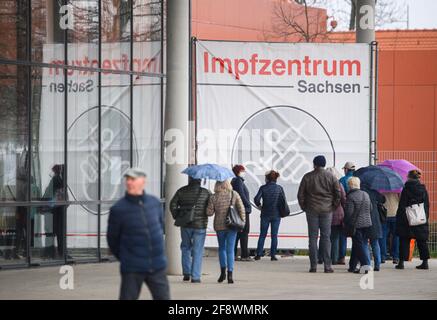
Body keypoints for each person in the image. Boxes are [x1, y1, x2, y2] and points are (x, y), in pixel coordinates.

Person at [107, 168, 170, 300]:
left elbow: (160, 225)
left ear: (143, 181)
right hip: (132, 267)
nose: (129, 182)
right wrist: (126, 257)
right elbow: (112, 240)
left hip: (157, 265)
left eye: (133, 179)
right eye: (127, 179)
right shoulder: (118, 209)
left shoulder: (154, 203)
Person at [297, 156, 341, 273]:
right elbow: (338, 194)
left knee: (312, 238)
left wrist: (304, 207)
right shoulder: (331, 177)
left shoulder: (307, 177)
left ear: (314, 164)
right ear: (324, 164)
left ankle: (313, 266)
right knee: (326, 238)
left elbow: (300, 194)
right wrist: (333, 206)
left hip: (311, 210)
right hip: (327, 210)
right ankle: (327, 266)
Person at [170, 177, 211, 283]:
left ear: (189, 180)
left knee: (185, 247)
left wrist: (178, 216)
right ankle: (196, 277)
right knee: (198, 250)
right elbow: (210, 209)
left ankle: (186, 273)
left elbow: (172, 204)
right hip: (200, 225)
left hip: (185, 224)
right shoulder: (206, 192)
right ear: (200, 181)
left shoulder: (181, 190)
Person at [207, 180, 245, 284]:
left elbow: (209, 213)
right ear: (228, 184)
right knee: (230, 250)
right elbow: (241, 209)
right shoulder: (234, 194)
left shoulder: (214, 197)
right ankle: (230, 274)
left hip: (219, 226)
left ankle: (222, 273)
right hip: (232, 225)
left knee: (222, 249)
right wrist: (242, 222)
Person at [395, 170, 430, 270]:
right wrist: (425, 217)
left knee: (404, 240)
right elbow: (426, 205)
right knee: (422, 241)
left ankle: (401, 263)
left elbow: (402, 206)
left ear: (409, 177)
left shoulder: (406, 190)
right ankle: (425, 262)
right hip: (420, 218)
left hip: (407, 219)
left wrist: (401, 219)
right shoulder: (423, 190)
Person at [254, 170, 286, 261]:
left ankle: (258, 254)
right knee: (274, 235)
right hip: (276, 215)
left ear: (267, 178)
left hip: (265, 214)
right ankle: (273, 255)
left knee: (262, 235)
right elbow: (283, 201)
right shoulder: (279, 188)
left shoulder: (263, 188)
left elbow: (256, 199)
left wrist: (260, 206)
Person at [344, 177, 373, 274]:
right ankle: (352, 266)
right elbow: (371, 208)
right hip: (367, 223)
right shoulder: (366, 194)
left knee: (359, 246)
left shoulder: (351, 197)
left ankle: (365, 266)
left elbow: (348, 213)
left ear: (350, 185)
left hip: (356, 225)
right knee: (358, 245)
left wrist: (346, 223)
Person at [361, 183, 386, 271]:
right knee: (375, 243)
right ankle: (377, 264)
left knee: (364, 243)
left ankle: (367, 263)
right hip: (374, 219)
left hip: (363, 219)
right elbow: (383, 199)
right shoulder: (374, 191)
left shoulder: (361, 191)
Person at [231, 165, 252, 262]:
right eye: (243, 170)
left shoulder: (235, 181)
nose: (244, 172)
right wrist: (248, 204)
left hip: (239, 209)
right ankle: (244, 255)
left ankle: (234, 253)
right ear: (238, 171)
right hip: (243, 210)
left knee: (238, 232)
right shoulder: (238, 181)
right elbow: (241, 195)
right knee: (244, 232)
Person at [326, 167, 346, 265]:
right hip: (338, 214)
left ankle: (323, 257)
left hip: (325, 213)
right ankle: (334, 259)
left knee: (325, 237)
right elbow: (343, 198)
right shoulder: (339, 184)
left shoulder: (323, 185)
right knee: (335, 238)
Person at [338, 161, 356, 265]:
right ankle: (355, 258)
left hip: (344, 210)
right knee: (356, 236)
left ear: (346, 170)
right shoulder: (358, 180)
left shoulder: (341, 180)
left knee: (342, 235)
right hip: (356, 211)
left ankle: (341, 257)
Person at [383, 192, 400, 264]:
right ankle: (395, 257)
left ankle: (382, 256)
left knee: (383, 236)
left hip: (384, 213)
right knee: (396, 236)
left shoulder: (381, 186)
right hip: (395, 213)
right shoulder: (397, 187)